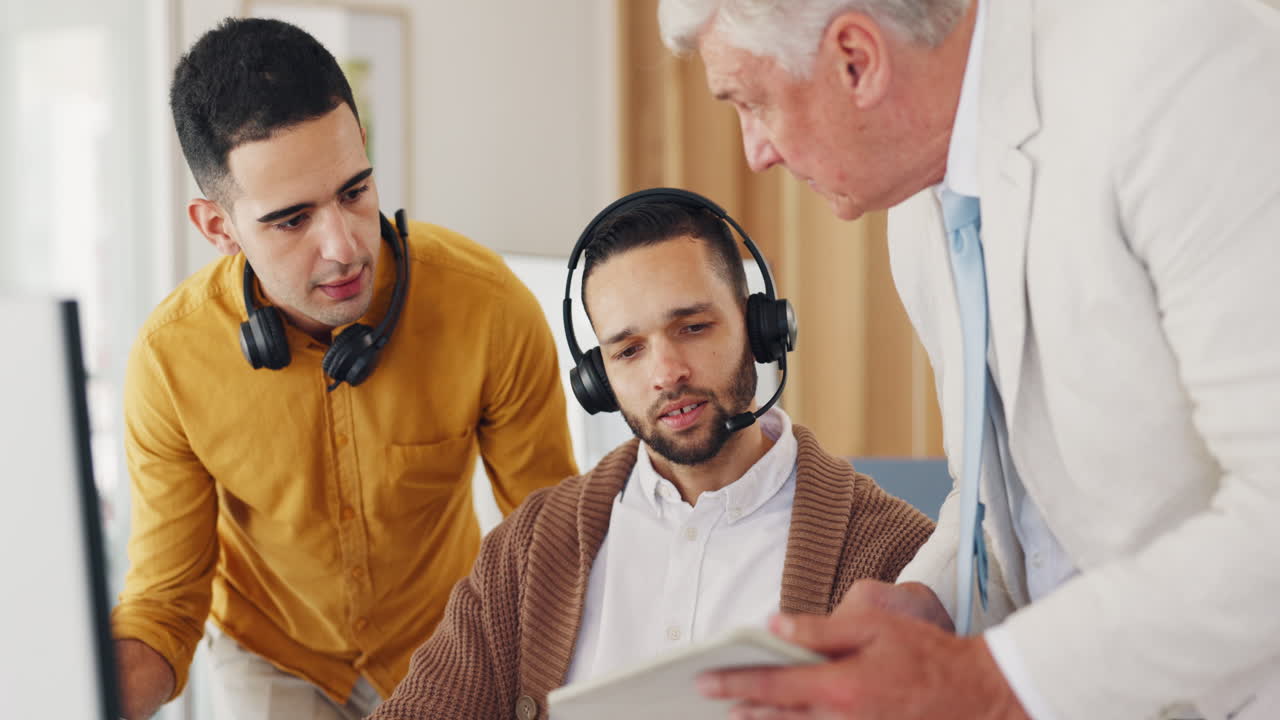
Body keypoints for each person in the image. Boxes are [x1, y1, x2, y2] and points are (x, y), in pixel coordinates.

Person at [658, 0, 1280, 718]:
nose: (755, 153)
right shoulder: (918, 199)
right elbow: (1006, 492)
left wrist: (994, 677)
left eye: (754, 103)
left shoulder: (1180, 69)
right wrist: (928, 599)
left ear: (856, 60)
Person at [110, 17, 577, 720]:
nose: (344, 248)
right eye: (292, 220)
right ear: (218, 227)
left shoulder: (489, 307)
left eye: (355, 192)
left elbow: (552, 539)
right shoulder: (169, 362)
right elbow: (165, 607)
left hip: (445, 637)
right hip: (273, 650)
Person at [365, 190, 936, 720]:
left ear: (759, 326)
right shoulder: (528, 549)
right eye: (629, 350)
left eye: (693, 327)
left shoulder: (895, 553)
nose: (666, 373)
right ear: (598, 379)